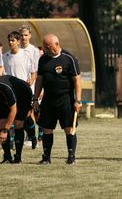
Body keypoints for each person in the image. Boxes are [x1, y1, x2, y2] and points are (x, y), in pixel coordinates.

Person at [32, 34, 81, 165]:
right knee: (47, 128)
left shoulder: (69, 58)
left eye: (48, 47)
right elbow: (40, 79)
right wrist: (35, 98)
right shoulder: (43, 59)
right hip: (48, 98)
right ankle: (46, 157)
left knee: (69, 128)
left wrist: (78, 100)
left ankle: (71, 156)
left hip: (66, 99)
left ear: (56, 45)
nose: (46, 50)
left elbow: (77, 80)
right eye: (45, 47)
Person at [0, 75, 32, 163]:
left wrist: (5, 131)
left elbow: (13, 110)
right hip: (4, 100)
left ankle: (18, 157)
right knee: (0, 124)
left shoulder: (6, 89)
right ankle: (7, 157)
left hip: (23, 94)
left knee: (18, 123)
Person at [4, 31, 38, 148]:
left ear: (18, 42)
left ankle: (33, 137)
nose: (10, 42)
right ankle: (12, 142)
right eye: (9, 40)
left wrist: (31, 81)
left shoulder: (26, 55)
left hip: (24, 90)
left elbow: (34, 72)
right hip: (11, 91)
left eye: (13, 40)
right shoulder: (5, 56)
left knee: (27, 116)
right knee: (13, 116)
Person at [19, 25, 42, 146]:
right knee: (21, 113)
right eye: (22, 35)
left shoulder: (34, 51)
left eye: (26, 35)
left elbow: (37, 70)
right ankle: (27, 137)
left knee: (31, 113)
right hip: (18, 87)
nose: (23, 37)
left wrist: (35, 83)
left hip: (31, 87)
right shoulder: (16, 49)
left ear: (30, 36)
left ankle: (32, 138)